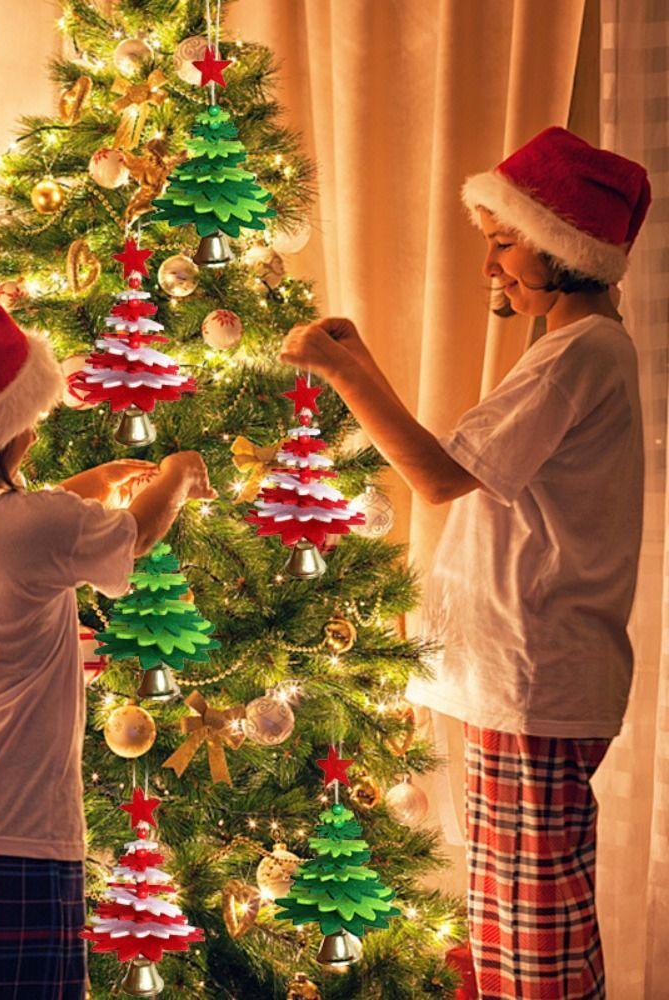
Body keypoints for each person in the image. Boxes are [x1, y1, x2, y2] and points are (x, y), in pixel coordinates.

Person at [279, 127, 650, 1000]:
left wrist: (341, 374)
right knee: (511, 915)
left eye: (503, 243)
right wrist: (361, 355)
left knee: (530, 933)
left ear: (562, 248)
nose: (492, 267)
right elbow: (471, 465)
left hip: (536, 679)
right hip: (523, 678)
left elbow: (441, 475)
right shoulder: (573, 350)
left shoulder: (578, 355)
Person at [0, 289, 214, 1000]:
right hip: (15, 838)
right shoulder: (32, 529)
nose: (35, 434)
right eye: (28, 421)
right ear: (6, 433)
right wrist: (177, 474)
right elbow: (135, 535)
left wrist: (87, 488)